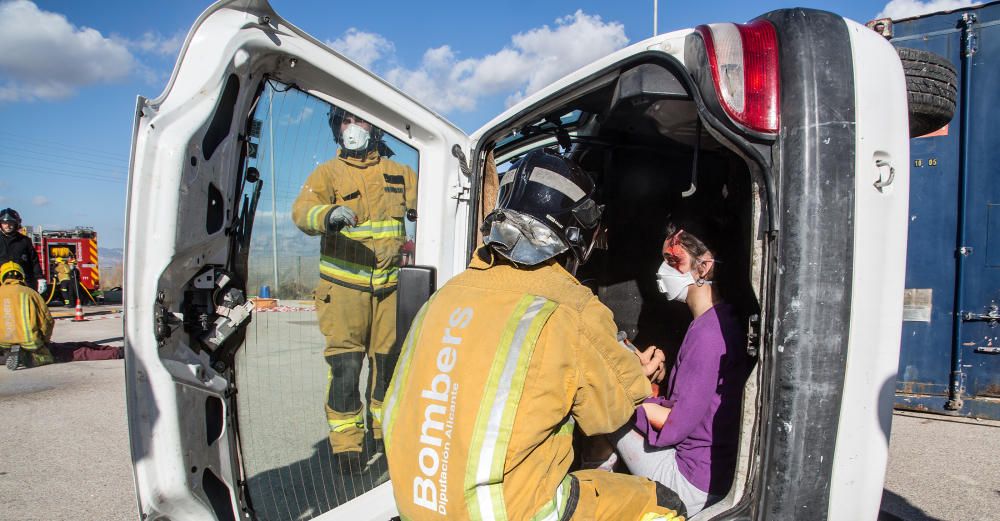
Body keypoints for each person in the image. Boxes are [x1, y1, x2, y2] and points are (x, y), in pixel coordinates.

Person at [382, 149, 685, 521]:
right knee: (663, 506)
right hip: (503, 514)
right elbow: (612, 413)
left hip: (418, 505)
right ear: (577, 233)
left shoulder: (448, 294)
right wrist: (639, 373)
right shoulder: (571, 306)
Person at [291, 108, 417, 467]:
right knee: (346, 368)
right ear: (337, 129)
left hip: (390, 290)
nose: (352, 128)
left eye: (359, 121)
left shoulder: (399, 173)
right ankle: (347, 445)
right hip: (343, 290)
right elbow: (302, 210)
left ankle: (383, 435)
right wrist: (327, 216)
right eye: (345, 121)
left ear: (373, 127)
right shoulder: (328, 173)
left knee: (387, 367)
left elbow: (439, 199)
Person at [611, 220, 750, 516]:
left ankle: (596, 493)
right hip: (709, 469)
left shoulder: (708, 336)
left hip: (689, 481)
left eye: (674, 260)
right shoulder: (716, 321)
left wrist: (629, 396)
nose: (663, 269)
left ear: (703, 267)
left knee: (603, 413)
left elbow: (674, 425)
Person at [0, 261, 54, 368]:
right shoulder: (31, 293)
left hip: (3, 342)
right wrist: (45, 340)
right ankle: (29, 358)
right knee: (49, 356)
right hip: (30, 342)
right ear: (21, 275)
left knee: (4, 351)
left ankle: (8, 354)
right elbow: (47, 320)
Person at [0, 208, 46, 294]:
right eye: (4, 223)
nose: (8, 226)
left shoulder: (25, 241)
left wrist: (40, 278)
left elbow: (34, 261)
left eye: (11, 223)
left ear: (16, 223)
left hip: (24, 283)